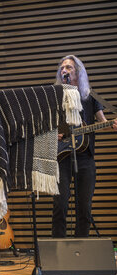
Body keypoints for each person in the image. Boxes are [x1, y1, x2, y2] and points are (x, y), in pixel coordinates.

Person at [53, 55, 117, 238]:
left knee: (84, 209)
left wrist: (111, 125)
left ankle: (80, 251)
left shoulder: (89, 96)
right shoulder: (56, 97)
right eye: (62, 67)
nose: (64, 70)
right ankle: (58, 254)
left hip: (85, 158)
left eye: (69, 67)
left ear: (78, 72)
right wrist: (52, 134)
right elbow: (45, 124)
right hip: (61, 157)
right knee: (60, 205)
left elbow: (102, 121)